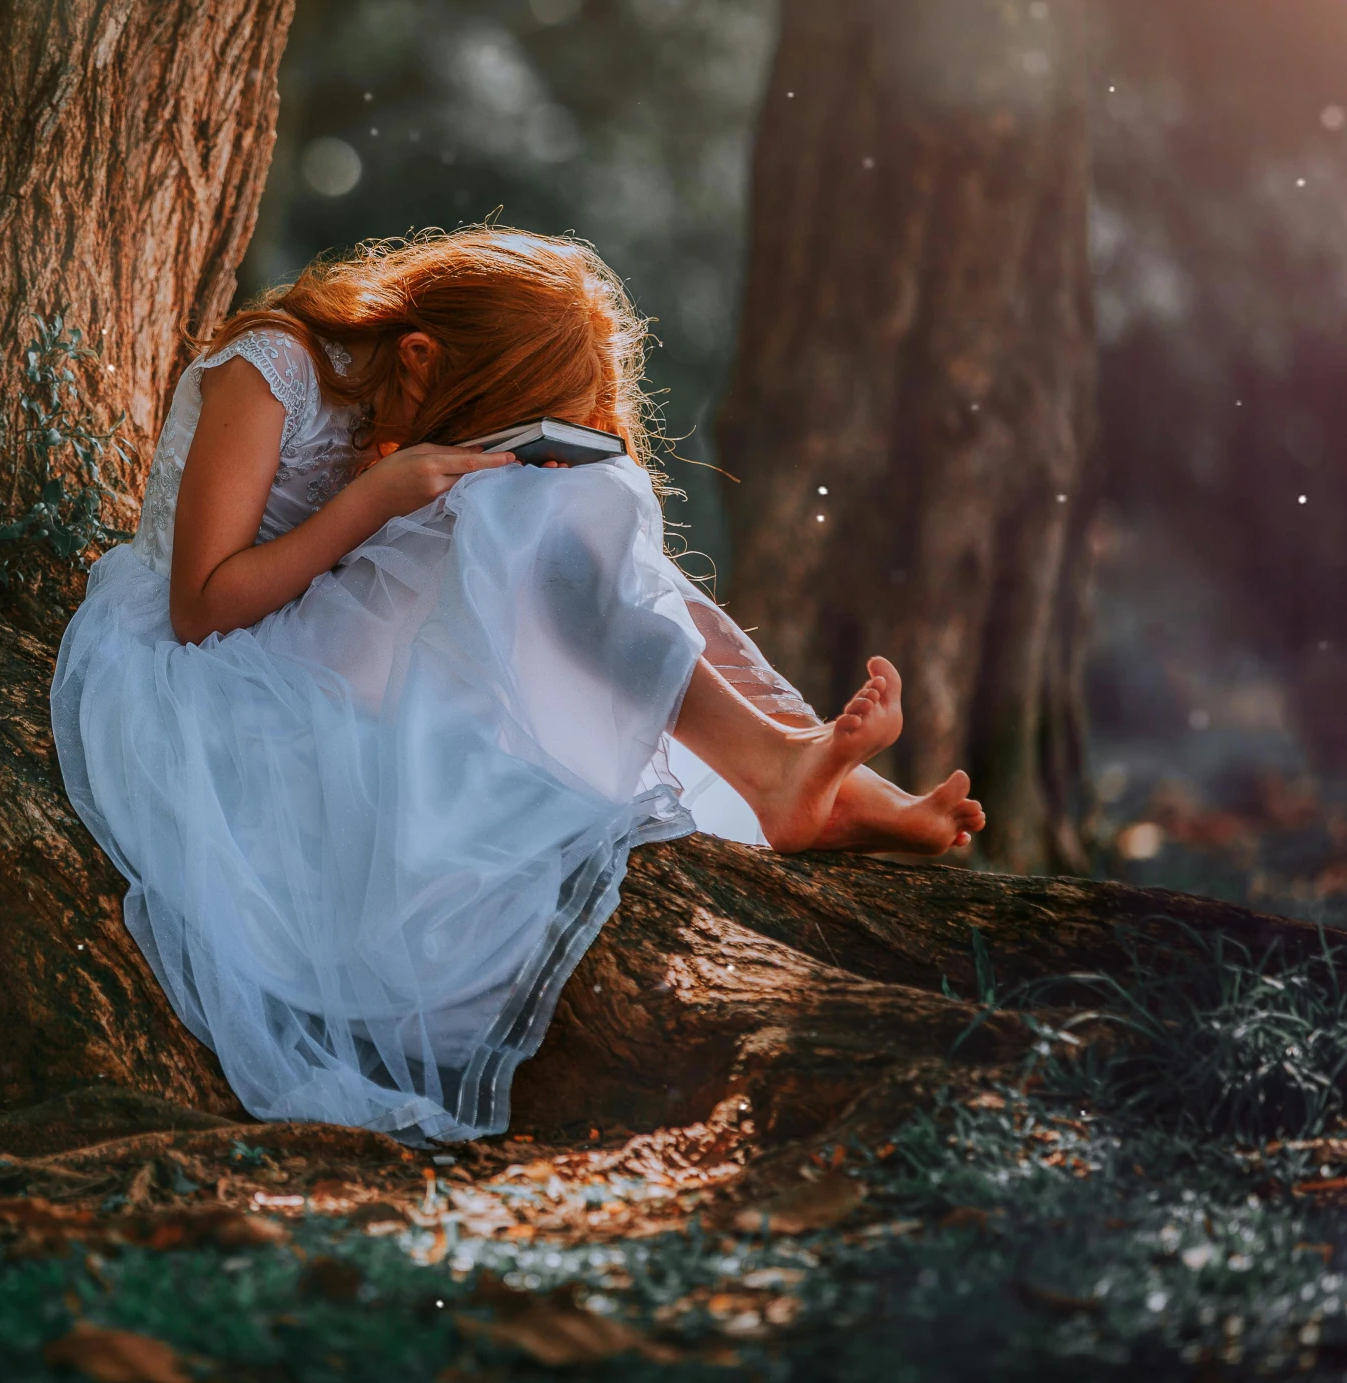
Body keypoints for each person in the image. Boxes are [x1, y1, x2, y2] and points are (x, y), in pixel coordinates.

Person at [50, 228, 984, 1143]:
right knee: (535, 533)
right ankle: (782, 767)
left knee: (575, 516)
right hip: (226, 667)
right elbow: (202, 609)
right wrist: (374, 500)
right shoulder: (274, 371)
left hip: (348, 632)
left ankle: (787, 757)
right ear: (417, 359)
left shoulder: (412, 403)